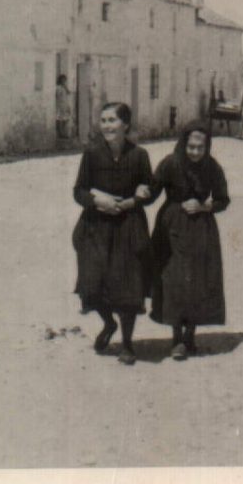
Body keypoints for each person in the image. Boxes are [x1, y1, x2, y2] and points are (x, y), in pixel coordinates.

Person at [72, 102, 153, 365]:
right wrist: (98, 201)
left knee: (128, 286)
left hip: (128, 227)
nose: (106, 125)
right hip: (97, 227)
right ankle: (108, 324)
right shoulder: (92, 155)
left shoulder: (140, 155)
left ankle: (127, 345)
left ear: (125, 125)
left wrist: (141, 194)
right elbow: (79, 191)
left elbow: (148, 189)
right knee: (93, 282)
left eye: (112, 120)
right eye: (103, 120)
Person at [149, 120, 230, 360]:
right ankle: (177, 338)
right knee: (173, 281)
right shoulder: (170, 163)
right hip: (171, 227)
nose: (194, 152)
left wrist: (205, 206)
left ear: (207, 147)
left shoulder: (212, 168)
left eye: (200, 147)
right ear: (184, 143)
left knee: (197, 281)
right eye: (191, 146)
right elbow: (152, 191)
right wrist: (139, 193)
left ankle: (190, 336)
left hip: (200, 230)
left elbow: (223, 200)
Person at [56, 74, 71, 139]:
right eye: (63, 80)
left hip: (65, 105)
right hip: (60, 105)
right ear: (60, 80)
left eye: (65, 80)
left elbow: (68, 93)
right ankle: (60, 134)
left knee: (66, 119)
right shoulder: (58, 88)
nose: (64, 81)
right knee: (60, 119)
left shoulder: (64, 87)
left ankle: (64, 133)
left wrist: (65, 87)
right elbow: (57, 96)